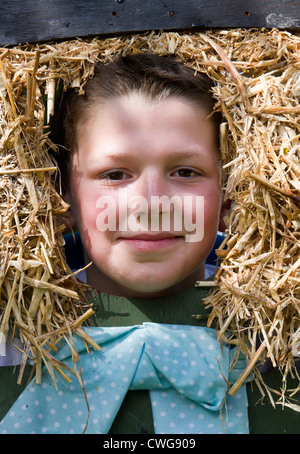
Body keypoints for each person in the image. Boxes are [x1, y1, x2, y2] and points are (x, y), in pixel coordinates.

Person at [0, 54, 299, 434]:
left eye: (186, 172)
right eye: (115, 174)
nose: (152, 204)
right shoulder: (8, 340)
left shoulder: (285, 336)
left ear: (230, 194)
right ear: (61, 195)